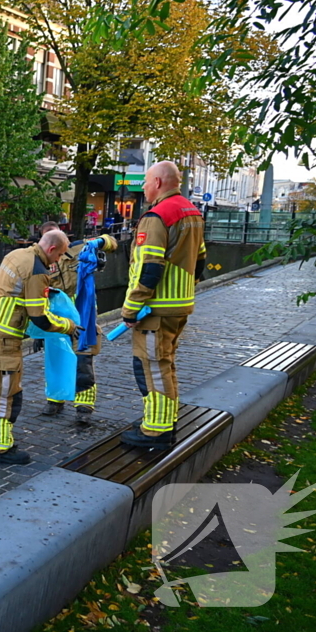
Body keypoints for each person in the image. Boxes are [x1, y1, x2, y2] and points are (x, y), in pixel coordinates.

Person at [119, 161, 206, 449]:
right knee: (165, 364)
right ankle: (163, 420)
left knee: (150, 366)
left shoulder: (158, 216)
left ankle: (155, 432)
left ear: (157, 182)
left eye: (145, 181)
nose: (143, 187)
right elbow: (201, 260)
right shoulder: (192, 211)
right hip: (180, 305)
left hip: (156, 310)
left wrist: (130, 309)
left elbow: (150, 269)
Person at [0, 230, 76, 465]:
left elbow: (15, 291)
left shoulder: (17, 254)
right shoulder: (38, 271)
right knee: (7, 392)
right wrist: (68, 326)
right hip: (5, 334)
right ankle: (1, 447)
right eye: (60, 255)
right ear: (51, 249)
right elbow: (39, 317)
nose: (59, 261)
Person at [37, 221, 119, 424]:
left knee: (83, 360)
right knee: (56, 360)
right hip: (56, 318)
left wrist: (98, 243)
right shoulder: (39, 261)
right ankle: (55, 399)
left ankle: (84, 405)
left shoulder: (79, 248)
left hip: (83, 315)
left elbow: (112, 242)